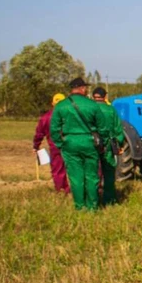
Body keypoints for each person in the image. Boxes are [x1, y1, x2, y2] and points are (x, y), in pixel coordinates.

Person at [51, 77, 108, 211]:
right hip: (89, 142)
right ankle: (92, 206)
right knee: (92, 176)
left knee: (76, 177)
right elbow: (103, 128)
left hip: (70, 143)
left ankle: (79, 206)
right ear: (82, 88)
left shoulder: (61, 105)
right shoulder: (92, 105)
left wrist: (61, 144)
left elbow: (54, 129)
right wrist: (102, 143)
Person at [91, 87, 125, 206]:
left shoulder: (89, 109)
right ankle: (109, 200)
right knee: (109, 173)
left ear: (93, 96)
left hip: (92, 144)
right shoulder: (111, 110)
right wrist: (120, 144)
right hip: (108, 145)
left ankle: (93, 200)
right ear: (105, 97)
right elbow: (118, 129)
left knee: (92, 173)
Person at [33, 92, 70, 194]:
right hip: (71, 145)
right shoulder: (70, 115)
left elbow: (39, 134)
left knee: (58, 170)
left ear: (52, 103)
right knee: (76, 168)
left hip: (55, 147)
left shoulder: (45, 117)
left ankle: (62, 190)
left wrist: (36, 146)